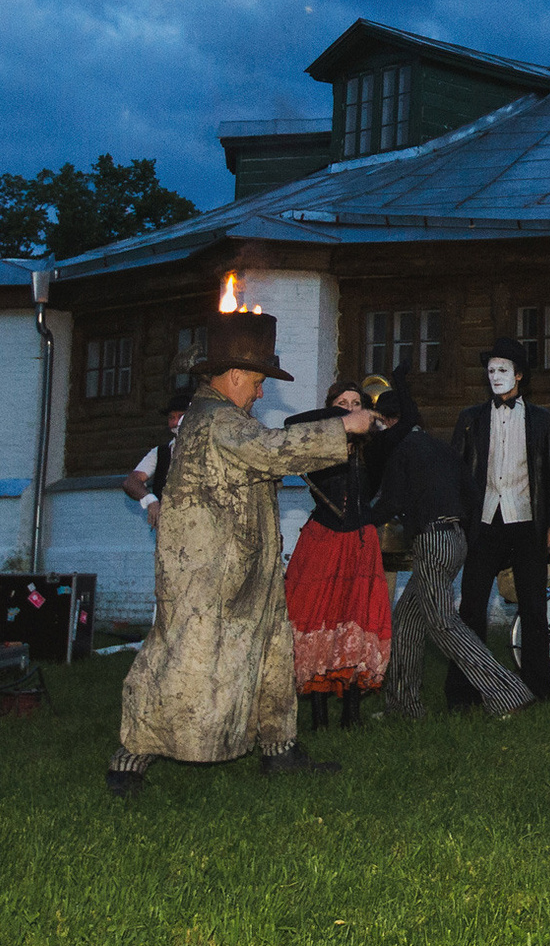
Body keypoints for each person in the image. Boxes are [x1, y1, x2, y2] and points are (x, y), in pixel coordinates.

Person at [106, 314, 376, 795]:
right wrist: (343, 426)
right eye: (256, 381)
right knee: (182, 660)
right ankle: (130, 759)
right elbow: (272, 451)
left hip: (244, 567)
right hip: (208, 575)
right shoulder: (216, 420)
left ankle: (279, 749)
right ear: (233, 376)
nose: (260, 392)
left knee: (272, 655)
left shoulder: (222, 417)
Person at [365, 370, 538, 720]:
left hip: (432, 541)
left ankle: (508, 693)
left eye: (378, 425)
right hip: (454, 540)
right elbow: (473, 496)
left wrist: (355, 519)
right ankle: (403, 708)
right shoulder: (439, 447)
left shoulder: (401, 450)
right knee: (407, 623)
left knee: (444, 625)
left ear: (388, 421)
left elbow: (390, 503)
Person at [450, 337, 550, 705]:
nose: (495, 376)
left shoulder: (541, 419)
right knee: (471, 607)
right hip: (484, 523)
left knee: (533, 606)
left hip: (526, 522)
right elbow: (456, 473)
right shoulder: (470, 419)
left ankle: (539, 688)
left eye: (502, 369)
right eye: (490, 370)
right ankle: (464, 692)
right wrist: (456, 520)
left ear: (519, 375)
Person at [282, 381, 394, 733]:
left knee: (356, 622)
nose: (349, 407)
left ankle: (351, 715)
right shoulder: (317, 443)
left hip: (360, 543)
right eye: (341, 402)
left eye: (356, 402)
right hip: (323, 540)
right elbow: (291, 424)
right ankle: (318, 718)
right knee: (319, 620)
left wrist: (367, 420)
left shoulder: (373, 447)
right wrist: (342, 417)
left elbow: (399, 428)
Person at [120, 383, 194, 525]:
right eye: (171, 418)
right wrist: (150, 500)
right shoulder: (160, 453)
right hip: (169, 527)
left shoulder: (207, 448)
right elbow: (131, 482)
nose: (175, 423)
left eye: (180, 416)